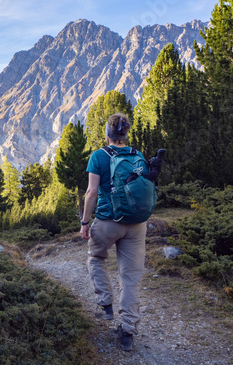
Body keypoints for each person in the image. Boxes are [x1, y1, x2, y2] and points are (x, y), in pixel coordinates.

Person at [80, 113, 155, 351]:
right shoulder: (138, 155)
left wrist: (84, 222)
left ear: (107, 133)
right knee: (131, 278)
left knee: (95, 258)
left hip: (108, 221)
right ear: (126, 133)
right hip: (136, 224)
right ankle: (128, 331)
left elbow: (91, 193)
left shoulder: (98, 156)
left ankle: (105, 304)